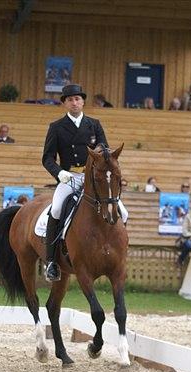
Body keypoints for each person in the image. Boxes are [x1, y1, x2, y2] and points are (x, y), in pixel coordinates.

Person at [41, 83, 127, 281]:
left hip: (94, 178)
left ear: (82, 101)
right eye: (70, 99)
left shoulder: (94, 124)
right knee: (55, 210)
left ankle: (119, 251)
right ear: (65, 103)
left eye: (77, 99)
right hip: (69, 177)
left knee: (123, 211)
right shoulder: (56, 127)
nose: (74, 102)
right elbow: (47, 158)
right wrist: (59, 173)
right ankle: (52, 262)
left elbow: (105, 150)